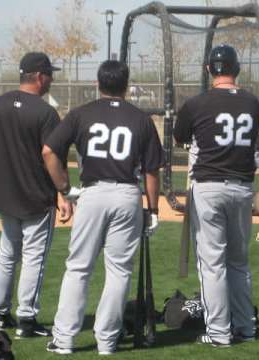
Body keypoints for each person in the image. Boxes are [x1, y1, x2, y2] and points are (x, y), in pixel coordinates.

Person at [43, 60, 163, 355]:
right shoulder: (140, 118)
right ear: (126, 85)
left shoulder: (81, 113)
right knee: (119, 271)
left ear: (98, 83)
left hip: (92, 194)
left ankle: (65, 339)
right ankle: (107, 342)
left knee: (79, 268)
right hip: (126, 194)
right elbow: (151, 171)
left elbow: (48, 151)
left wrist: (65, 190)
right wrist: (153, 210)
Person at [0, 52, 72, 338]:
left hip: (4, 195)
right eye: (49, 74)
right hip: (35, 196)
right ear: (39, 77)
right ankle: (26, 320)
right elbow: (54, 156)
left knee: (7, 254)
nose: (51, 79)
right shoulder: (46, 113)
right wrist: (63, 193)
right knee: (33, 257)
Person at [174, 44, 259, 347]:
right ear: (236, 69)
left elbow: (179, 137)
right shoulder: (253, 103)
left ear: (209, 69)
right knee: (239, 262)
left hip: (209, 186)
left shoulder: (197, 103)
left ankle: (218, 332)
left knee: (212, 264)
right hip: (242, 188)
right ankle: (246, 328)